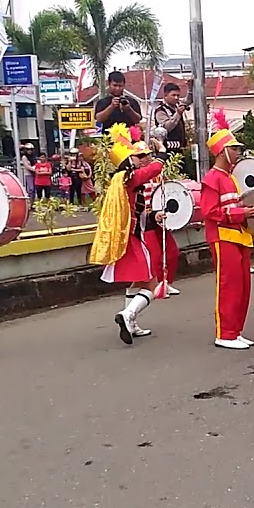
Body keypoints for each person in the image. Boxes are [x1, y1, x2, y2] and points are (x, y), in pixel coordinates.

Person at [89, 124, 166, 345]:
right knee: (152, 283)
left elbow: (137, 210)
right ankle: (127, 315)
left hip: (129, 235)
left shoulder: (121, 179)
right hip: (132, 237)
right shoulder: (129, 178)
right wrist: (161, 153)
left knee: (136, 281)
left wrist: (153, 217)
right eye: (138, 156)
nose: (143, 159)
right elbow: (155, 169)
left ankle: (131, 324)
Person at [201, 109, 254, 349]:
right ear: (223, 151)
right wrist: (241, 214)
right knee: (229, 286)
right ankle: (225, 334)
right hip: (222, 237)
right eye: (235, 148)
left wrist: (250, 213)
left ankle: (235, 331)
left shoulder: (230, 177)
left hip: (239, 236)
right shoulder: (212, 178)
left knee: (243, 286)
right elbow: (210, 212)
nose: (238, 152)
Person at [153, 82, 190, 162]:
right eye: (173, 95)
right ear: (165, 95)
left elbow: (188, 100)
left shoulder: (177, 106)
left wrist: (190, 88)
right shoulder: (160, 110)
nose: (176, 98)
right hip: (167, 151)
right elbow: (166, 127)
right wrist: (178, 114)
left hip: (179, 150)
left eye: (178, 95)